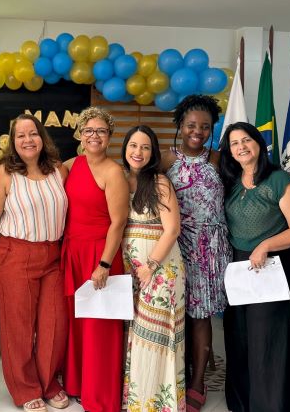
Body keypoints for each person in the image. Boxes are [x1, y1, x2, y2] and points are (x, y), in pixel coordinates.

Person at [0, 113, 69, 412]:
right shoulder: (4, 173)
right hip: (15, 255)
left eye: (33, 134)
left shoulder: (58, 170)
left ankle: (48, 382)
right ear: (12, 141)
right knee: (18, 327)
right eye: (21, 136)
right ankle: (25, 388)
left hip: (53, 255)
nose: (28, 140)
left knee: (54, 324)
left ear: (42, 137)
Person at [219, 122, 290, 412]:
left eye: (246, 140)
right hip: (238, 266)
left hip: (273, 266)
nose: (241, 147)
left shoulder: (281, 180)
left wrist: (266, 245)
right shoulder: (230, 180)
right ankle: (242, 404)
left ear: (259, 143)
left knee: (267, 341)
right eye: (234, 143)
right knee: (240, 338)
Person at [162, 94, 230, 412]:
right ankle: (174, 375)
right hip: (174, 247)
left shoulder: (218, 160)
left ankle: (198, 380)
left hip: (210, 250)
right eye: (191, 125)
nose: (197, 131)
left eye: (205, 126)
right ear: (180, 125)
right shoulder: (165, 160)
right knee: (175, 315)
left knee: (200, 317)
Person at [63, 107, 129, 412]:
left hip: (100, 255)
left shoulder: (114, 172)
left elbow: (118, 223)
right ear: (80, 134)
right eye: (88, 130)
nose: (94, 136)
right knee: (76, 325)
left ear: (109, 136)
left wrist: (103, 264)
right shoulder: (69, 165)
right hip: (72, 253)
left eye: (101, 131)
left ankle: (99, 396)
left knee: (99, 327)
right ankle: (76, 385)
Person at [121, 125, 186, 412]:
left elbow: (172, 230)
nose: (138, 152)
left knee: (158, 336)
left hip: (160, 271)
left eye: (145, 147)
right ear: (125, 148)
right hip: (129, 273)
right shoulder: (120, 179)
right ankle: (137, 399)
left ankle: (159, 404)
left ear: (153, 152)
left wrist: (150, 266)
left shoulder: (159, 182)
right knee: (136, 334)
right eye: (133, 145)